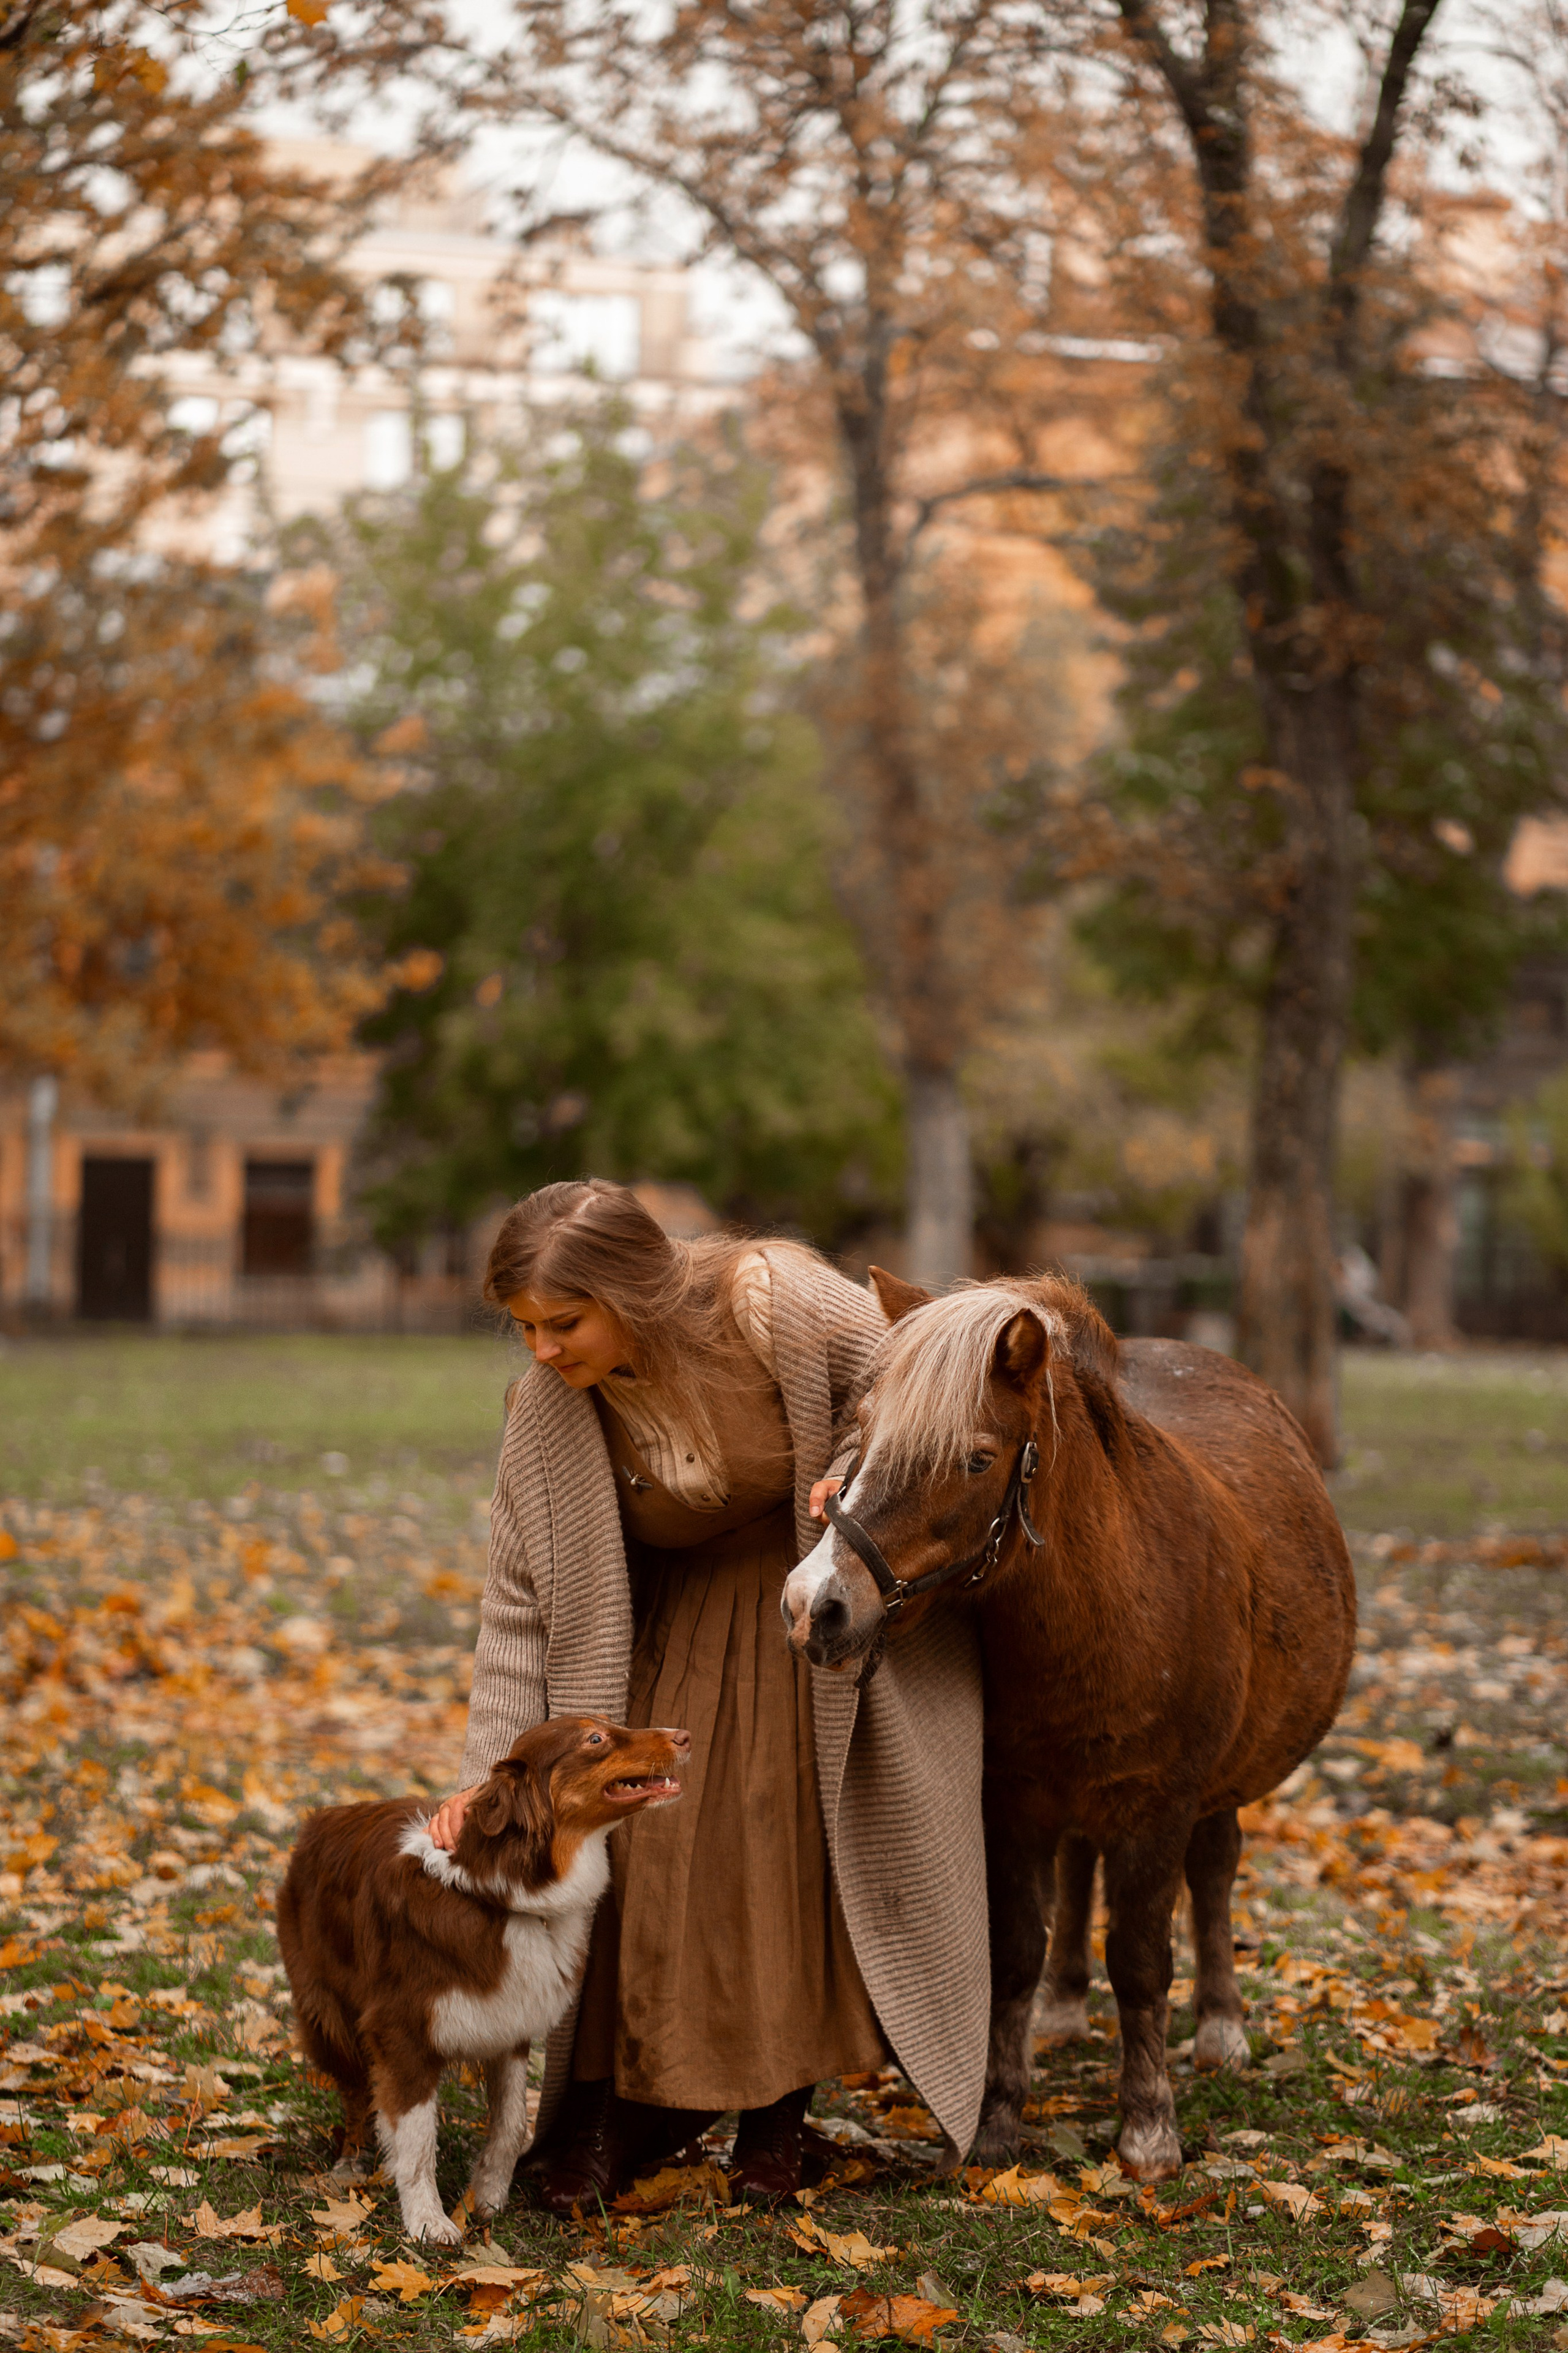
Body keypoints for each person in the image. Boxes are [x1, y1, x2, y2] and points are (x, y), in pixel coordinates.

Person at [428, 1180, 988, 2210]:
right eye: (525, 1327)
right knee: (647, 1853)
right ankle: (609, 2110)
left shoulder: (768, 1300)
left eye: (564, 1322)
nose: (542, 1349)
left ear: (631, 1292)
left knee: (786, 1850)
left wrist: (853, 1468)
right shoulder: (549, 1408)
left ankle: (777, 2121)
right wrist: (482, 1779)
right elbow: (517, 1608)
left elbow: (912, 1375)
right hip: (667, 1634)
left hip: (805, 1617)